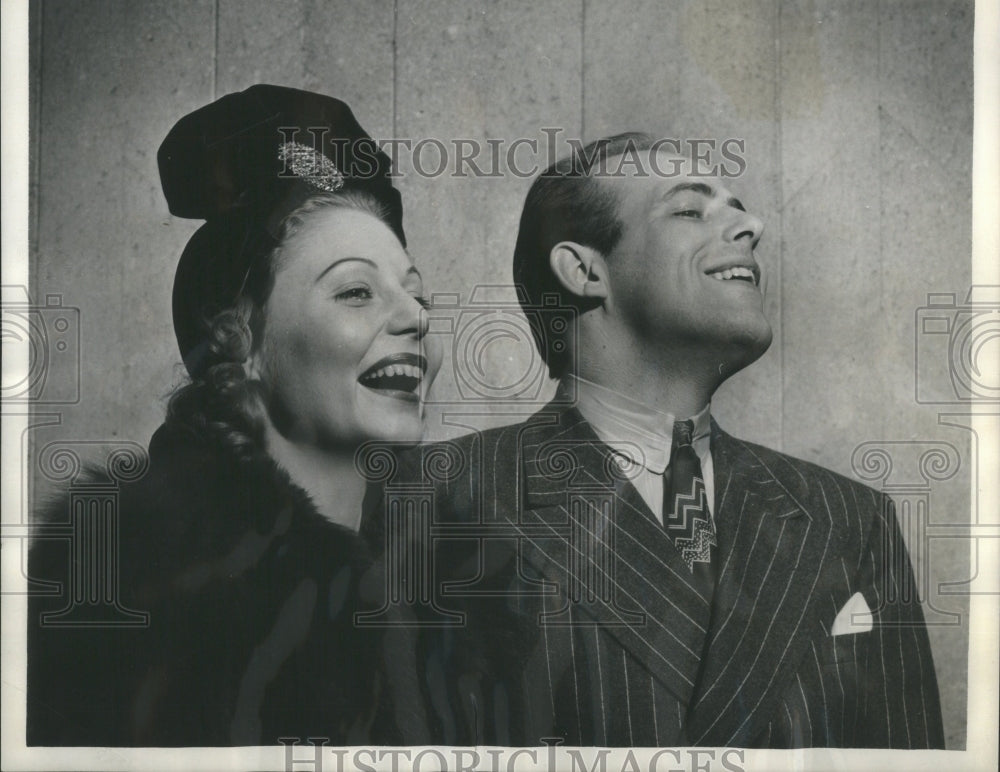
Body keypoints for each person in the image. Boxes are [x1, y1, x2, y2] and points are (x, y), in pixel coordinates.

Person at [404, 134, 945, 748]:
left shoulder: (849, 518)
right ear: (584, 270)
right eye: (690, 209)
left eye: (739, 207)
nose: (753, 225)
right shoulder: (429, 498)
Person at [27, 85, 441, 746]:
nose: (415, 316)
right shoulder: (133, 594)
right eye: (357, 290)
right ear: (241, 343)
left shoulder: (460, 570)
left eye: (416, 293)